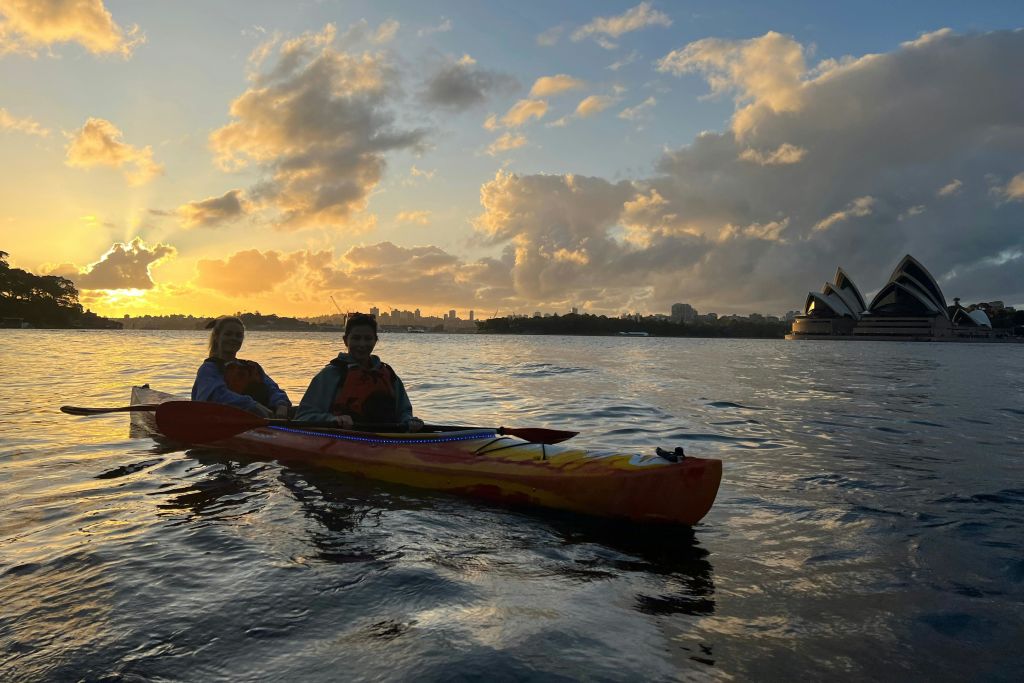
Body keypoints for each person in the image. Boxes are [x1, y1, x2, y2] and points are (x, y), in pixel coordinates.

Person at [296, 313, 423, 431]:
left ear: (376, 340)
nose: (362, 344)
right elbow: (303, 416)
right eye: (356, 338)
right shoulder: (329, 375)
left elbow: (403, 412)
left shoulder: (388, 374)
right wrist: (332, 419)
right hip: (341, 441)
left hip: (385, 442)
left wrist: (409, 421)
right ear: (345, 340)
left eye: (368, 339)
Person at [191, 316, 291, 418]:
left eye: (238, 335)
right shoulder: (208, 369)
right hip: (226, 421)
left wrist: (281, 405)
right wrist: (253, 405)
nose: (233, 338)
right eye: (228, 334)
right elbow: (215, 396)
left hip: (265, 422)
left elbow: (273, 389)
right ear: (217, 337)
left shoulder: (252, 367)